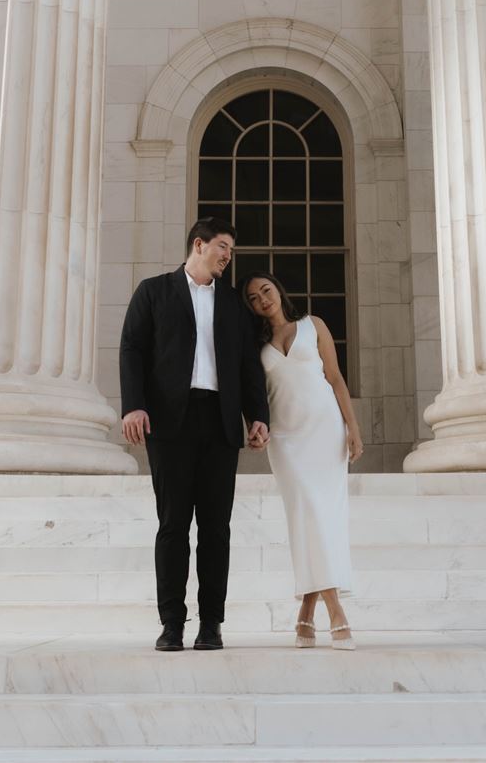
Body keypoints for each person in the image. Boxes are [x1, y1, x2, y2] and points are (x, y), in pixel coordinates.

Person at [118, 217, 270, 652]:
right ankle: (171, 624)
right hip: (169, 422)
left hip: (220, 423)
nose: (227, 255)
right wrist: (134, 404)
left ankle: (212, 625)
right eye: (223, 246)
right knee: (173, 526)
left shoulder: (235, 304)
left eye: (231, 250)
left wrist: (256, 415)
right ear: (199, 245)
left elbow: (247, 365)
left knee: (216, 528)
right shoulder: (154, 291)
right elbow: (132, 348)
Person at [245, 273, 360, 649]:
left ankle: (307, 617)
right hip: (287, 440)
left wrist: (353, 428)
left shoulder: (314, 325)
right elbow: (252, 395)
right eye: (253, 298)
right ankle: (336, 612)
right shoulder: (256, 345)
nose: (262, 299)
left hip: (325, 431)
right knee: (307, 516)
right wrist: (254, 427)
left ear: (278, 289)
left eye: (266, 290)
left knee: (323, 519)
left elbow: (336, 378)